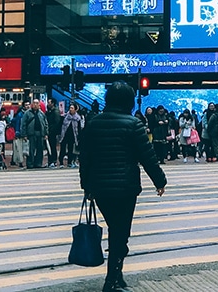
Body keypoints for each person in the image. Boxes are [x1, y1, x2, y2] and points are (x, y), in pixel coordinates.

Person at [80, 81, 167, 292]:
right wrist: (160, 181)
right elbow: (148, 157)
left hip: (100, 188)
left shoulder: (93, 123)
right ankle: (112, 281)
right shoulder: (133, 124)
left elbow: (85, 157)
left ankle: (116, 276)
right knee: (120, 232)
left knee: (116, 230)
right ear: (129, 101)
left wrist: (86, 186)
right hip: (125, 189)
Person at [22, 99, 47, 169]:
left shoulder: (41, 113)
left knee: (40, 149)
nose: (35, 105)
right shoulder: (27, 113)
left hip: (40, 133)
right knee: (31, 150)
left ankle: (38, 163)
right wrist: (24, 134)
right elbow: (23, 124)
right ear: (32, 104)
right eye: (34, 103)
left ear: (39, 105)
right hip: (31, 134)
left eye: (37, 103)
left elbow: (45, 124)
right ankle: (30, 164)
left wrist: (46, 133)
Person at [59, 103, 82, 167]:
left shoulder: (78, 118)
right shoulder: (65, 116)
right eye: (70, 108)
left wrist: (79, 137)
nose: (70, 109)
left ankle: (69, 162)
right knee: (62, 149)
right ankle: (61, 162)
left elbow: (79, 128)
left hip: (72, 136)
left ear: (75, 110)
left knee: (70, 149)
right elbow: (61, 125)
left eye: (72, 108)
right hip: (64, 134)